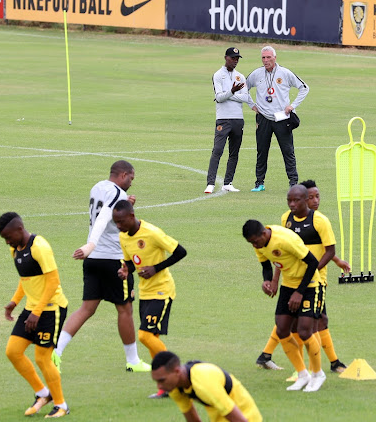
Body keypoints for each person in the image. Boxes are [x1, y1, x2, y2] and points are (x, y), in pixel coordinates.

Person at [53, 160, 151, 373]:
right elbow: (105, 218)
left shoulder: (97, 187)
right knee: (124, 309)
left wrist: (127, 205)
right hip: (113, 258)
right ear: (123, 175)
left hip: (93, 260)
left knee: (87, 308)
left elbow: (106, 214)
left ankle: (56, 351)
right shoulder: (118, 194)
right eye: (131, 179)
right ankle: (133, 361)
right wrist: (91, 244)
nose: (131, 184)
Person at [255, 183, 348, 375]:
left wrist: (335, 262)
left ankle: (268, 355)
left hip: (315, 278)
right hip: (304, 280)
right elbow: (282, 251)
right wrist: (275, 280)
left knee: (309, 319)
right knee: (307, 321)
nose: (315, 201)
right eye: (311, 197)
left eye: (317, 196)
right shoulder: (286, 219)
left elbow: (325, 249)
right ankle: (324, 366)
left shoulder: (320, 221)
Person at [0, 212, 70, 418]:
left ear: (20, 229)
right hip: (33, 309)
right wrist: (14, 302)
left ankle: (61, 405)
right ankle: (42, 394)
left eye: (8, 237)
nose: (7, 242)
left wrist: (37, 312)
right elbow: (26, 279)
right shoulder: (15, 249)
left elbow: (53, 281)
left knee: (42, 358)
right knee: (13, 351)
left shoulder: (40, 247)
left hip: (52, 308)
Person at [113, 199, 187, 399]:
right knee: (152, 338)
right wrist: (125, 273)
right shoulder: (123, 237)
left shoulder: (152, 233)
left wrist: (156, 268)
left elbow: (181, 252)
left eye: (121, 222)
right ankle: (166, 387)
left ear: (131, 216)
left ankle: (177, 373)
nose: (119, 226)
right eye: (116, 223)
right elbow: (128, 264)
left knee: (145, 336)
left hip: (162, 291)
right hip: (144, 292)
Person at [243, 219, 326, 392]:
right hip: (288, 285)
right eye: (251, 243)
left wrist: (300, 292)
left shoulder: (285, 240)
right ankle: (303, 375)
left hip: (309, 284)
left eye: (255, 242)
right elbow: (265, 263)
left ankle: (318, 374)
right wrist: (267, 281)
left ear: (264, 234)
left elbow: (312, 262)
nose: (255, 246)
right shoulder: (259, 244)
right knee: (281, 329)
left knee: (304, 331)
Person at [245, 46, 309, 192]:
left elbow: (304, 87)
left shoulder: (285, 73)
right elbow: (244, 88)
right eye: (263, 58)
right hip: (263, 118)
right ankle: (259, 183)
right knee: (262, 151)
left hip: (282, 118)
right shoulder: (256, 74)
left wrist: (292, 106)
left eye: (268, 57)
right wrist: (252, 105)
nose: (266, 60)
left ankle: (293, 182)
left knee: (287, 151)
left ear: (275, 57)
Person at [151, 351, 262, 422]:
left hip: (246, 417)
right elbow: (191, 417)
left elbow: (235, 415)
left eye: (162, 380)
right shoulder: (175, 387)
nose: (159, 386)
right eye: (156, 381)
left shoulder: (203, 381)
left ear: (177, 371)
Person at [205, 47, 257, 194]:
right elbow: (219, 97)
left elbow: (245, 97)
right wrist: (232, 92)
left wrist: (228, 94)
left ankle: (228, 182)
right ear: (226, 58)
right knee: (218, 150)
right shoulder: (218, 75)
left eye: (237, 59)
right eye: (232, 58)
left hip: (238, 119)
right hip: (223, 119)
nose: (235, 61)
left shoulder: (240, 76)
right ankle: (210, 183)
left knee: (234, 152)